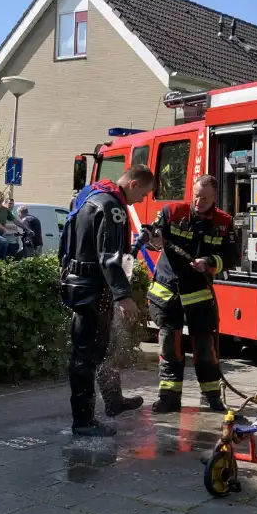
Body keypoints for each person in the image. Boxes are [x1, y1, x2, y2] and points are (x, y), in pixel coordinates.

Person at [58, 166, 153, 437]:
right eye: (143, 194)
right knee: (85, 356)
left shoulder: (91, 196)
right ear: (134, 184)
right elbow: (109, 257)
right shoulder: (112, 207)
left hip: (80, 282)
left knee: (102, 346)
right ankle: (83, 421)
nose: (142, 200)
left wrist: (136, 245)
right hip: (92, 288)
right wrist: (124, 296)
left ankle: (113, 401)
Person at [146, 175, 240, 413]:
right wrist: (154, 239)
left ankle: (212, 396)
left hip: (199, 291)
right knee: (170, 345)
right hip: (168, 290)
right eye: (196, 195)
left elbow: (232, 257)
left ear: (214, 198)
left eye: (204, 198)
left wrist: (208, 262)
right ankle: (169, 397)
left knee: (205, 346)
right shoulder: (173, 212)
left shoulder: (223, 222)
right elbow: (153, 238)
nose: (198, 201)